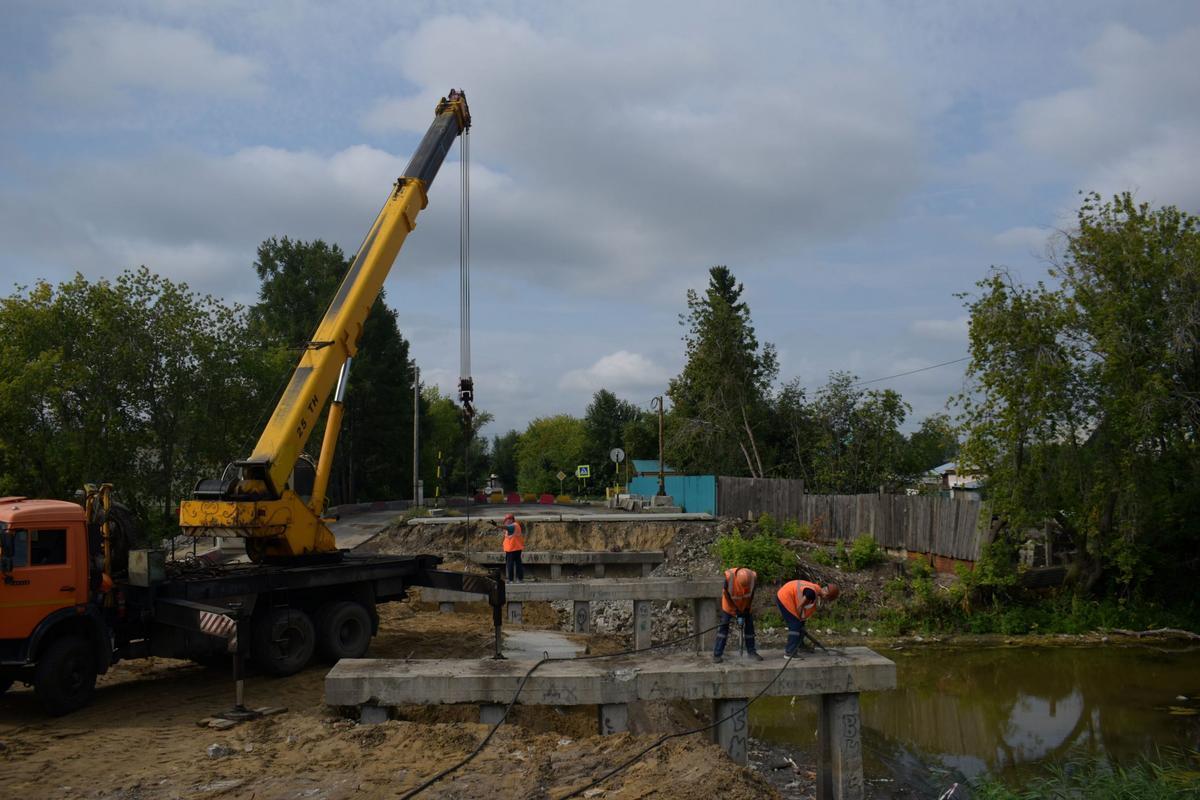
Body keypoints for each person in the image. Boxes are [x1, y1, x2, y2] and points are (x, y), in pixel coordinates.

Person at [776, 578, 839, 657]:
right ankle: (790, 652)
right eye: (827, 599)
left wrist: (801, 621)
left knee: (800, 624)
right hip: (785, 598)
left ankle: (800, 646)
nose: (826, 600)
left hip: (785, 594)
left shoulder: (816, 588)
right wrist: (798, 618)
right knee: (795, 625)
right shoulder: (812, 593)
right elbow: (801, 605)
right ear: (826, 595)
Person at [713, 566, 762, 663]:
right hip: (729, 605)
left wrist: (747, 608)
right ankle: (717, 654)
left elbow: (751, 594)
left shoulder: (752, 577)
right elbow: (727, 596)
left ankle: (751, 652)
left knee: (749, 627)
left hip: (745, 605)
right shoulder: (729, 578)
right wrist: (736, 610)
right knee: (724, 627)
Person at [499, 512, 525, 582]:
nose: (507, 521)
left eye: (508, 520)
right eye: (506, 520)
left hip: (512, 549)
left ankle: (511, 579)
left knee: (510, 565)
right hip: (515, 548)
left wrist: (497, 525)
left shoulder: (513, 526)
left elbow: (506, 527)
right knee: (518, 564)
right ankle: (519, 578)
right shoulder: (514, 526)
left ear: (512, 520)